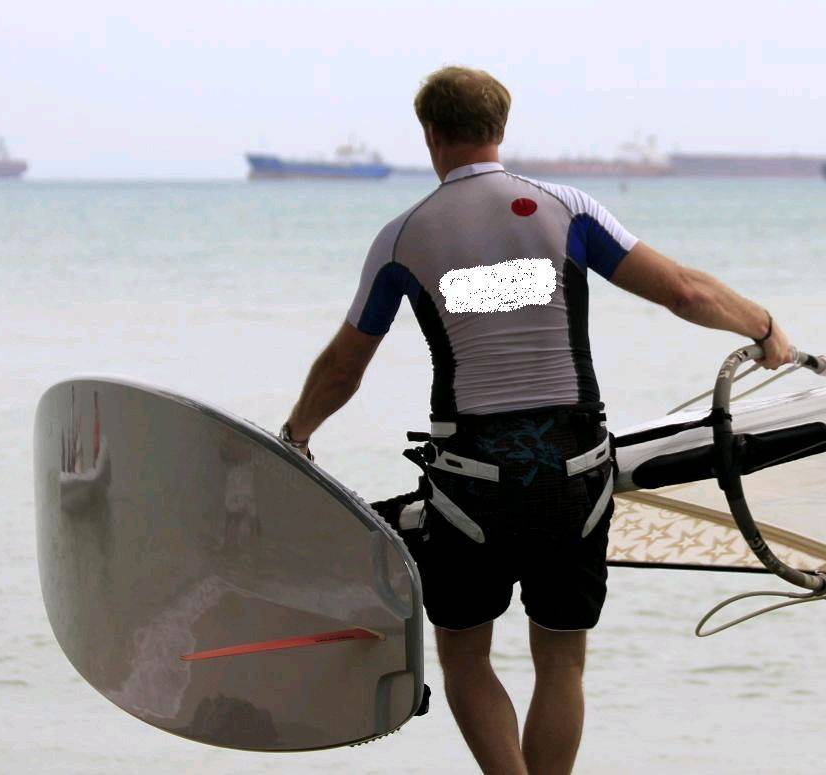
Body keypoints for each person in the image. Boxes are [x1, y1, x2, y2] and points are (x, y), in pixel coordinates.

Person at [282, 66, 793, 775]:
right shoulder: (566, 208)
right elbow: (682, 291)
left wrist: (296, 436)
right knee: (561, 660)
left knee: (465, 657)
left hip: (470, 488)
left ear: (429, 134)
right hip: (575, 476)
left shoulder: (403, 237)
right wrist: (763, 326)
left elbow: (344, 367)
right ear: (501, 127)